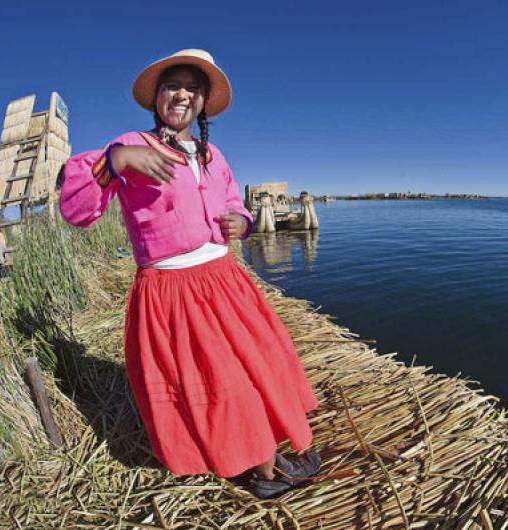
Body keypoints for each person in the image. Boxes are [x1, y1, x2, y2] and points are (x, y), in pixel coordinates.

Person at [58, 49, 321, 499]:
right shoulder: (129, 144)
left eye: (193, 88)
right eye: (173, 86)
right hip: (173, 289)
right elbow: (76, 210)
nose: (182, 94)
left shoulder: (212, 154)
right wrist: (117, 160)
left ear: (202, 103)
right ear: (157, 97)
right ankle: (262, 470)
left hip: (225, 279)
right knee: (222, 381)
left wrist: (244, 222)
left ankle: (266, 452)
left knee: (259, 363)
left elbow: (233, 203)